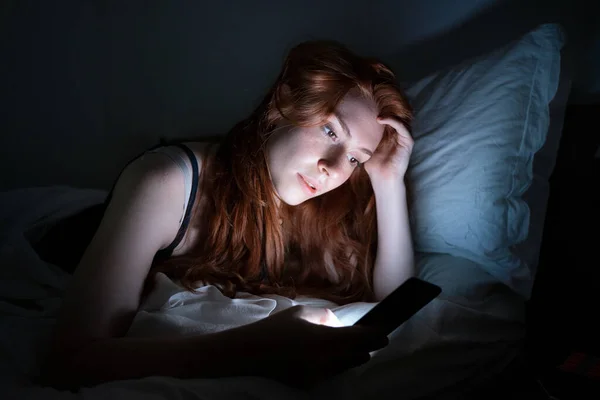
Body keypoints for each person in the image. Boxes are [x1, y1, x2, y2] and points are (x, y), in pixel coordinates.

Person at [38, 39, 415, 391]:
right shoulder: (166, 181)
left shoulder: (329, 204)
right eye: (331, 131)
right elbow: (70, 360)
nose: (332, 167)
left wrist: (388, 181)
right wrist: (251, 351)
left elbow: (394, 299)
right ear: (283, 101)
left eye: (354, 158)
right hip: (64, 235)